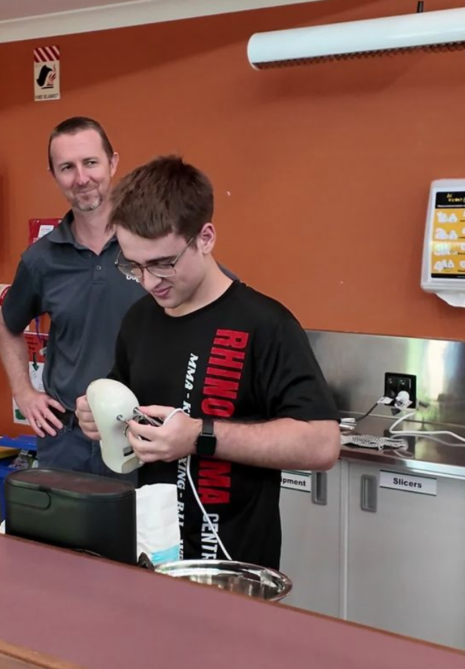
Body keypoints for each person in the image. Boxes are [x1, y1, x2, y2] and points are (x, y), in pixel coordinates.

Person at [76, 155, 340, 568]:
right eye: (133, 265)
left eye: (163, 263)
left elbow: (322, 443)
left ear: (205, 237)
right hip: (152, 557)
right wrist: (97, 416)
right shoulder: (139, 320)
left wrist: (200, 437)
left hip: (235, 568)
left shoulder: (265, 324)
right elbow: (126, 402)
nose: (149, 282)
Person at [0, 117, 146, 475]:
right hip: (67, 444)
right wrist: (24, 393)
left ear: (112, 162)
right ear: (54, 175)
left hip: (144, 439)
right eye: (67, 167)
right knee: (62, 533)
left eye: (91, 163)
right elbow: (6, 324)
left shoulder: (151, 244)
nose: (81, 178)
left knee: (141, 532)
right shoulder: (41, 259)